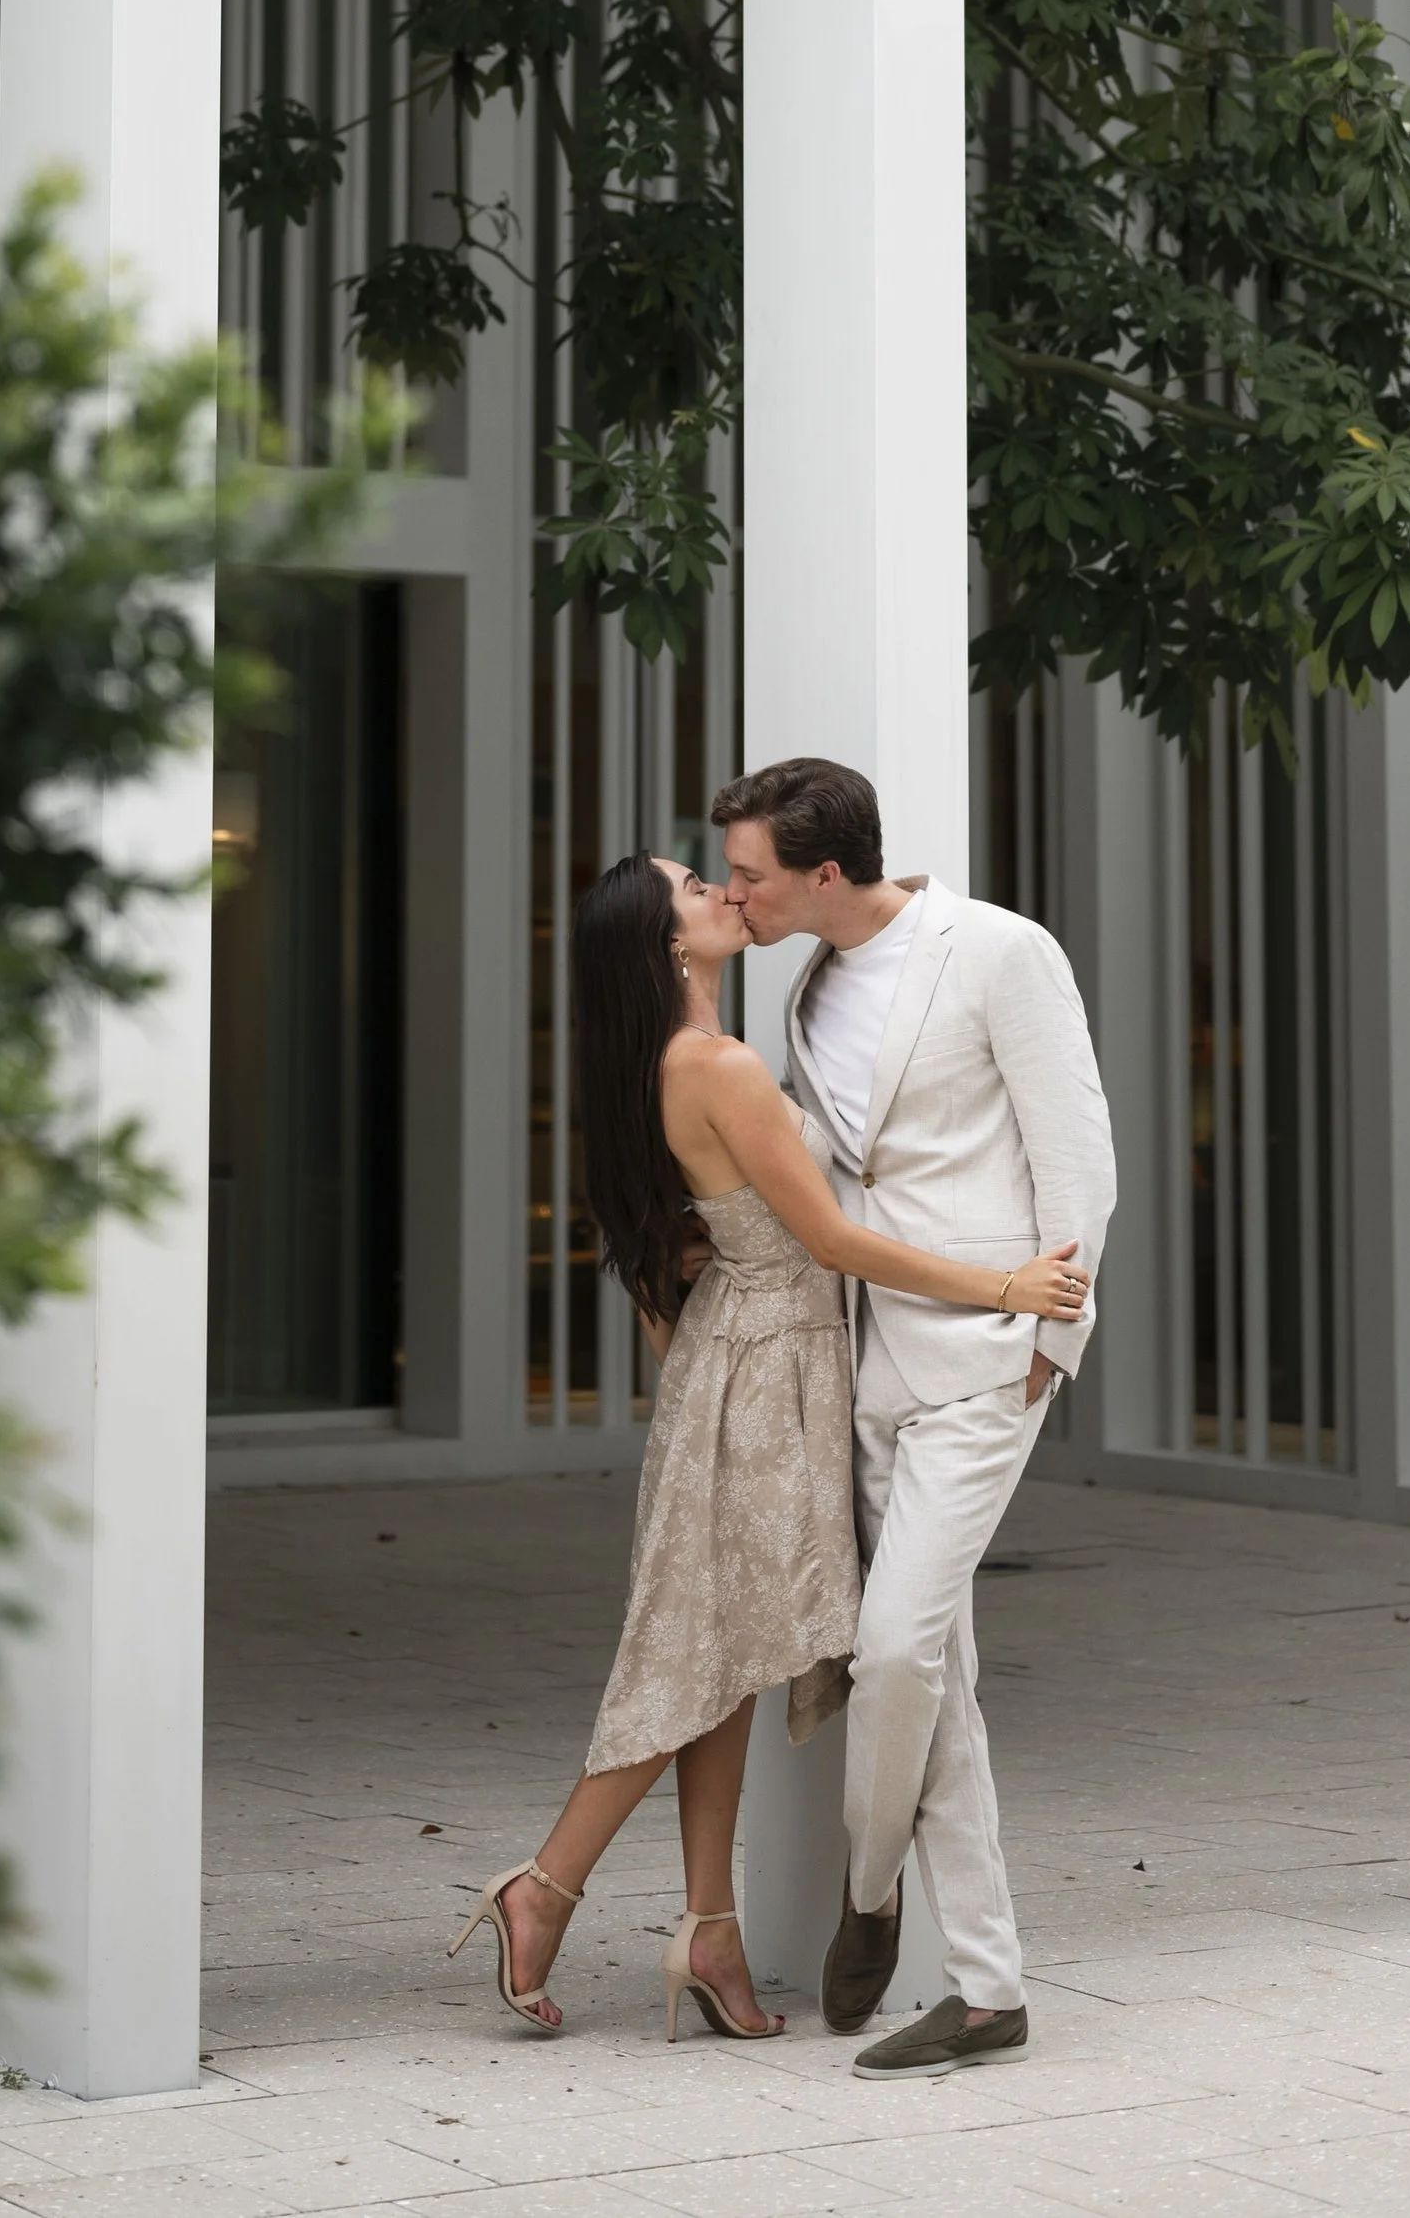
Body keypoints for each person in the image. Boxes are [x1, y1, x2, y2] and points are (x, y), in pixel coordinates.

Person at [448, 848, 1088, 2046]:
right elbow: (836, 1242)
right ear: (667, 945)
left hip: (739, 1362)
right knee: (689, 1659)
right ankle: (543, 1886)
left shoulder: (669, 1062)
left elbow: (671, 1267)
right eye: (697, 887)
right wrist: (1004, 1282)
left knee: (719, 1654)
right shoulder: (717, 1064)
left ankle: (709, 1927)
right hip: (767, 1366)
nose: (724, 894)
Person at [714, 755, 1116, 2085]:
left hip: (986, 1356)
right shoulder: (813, 979)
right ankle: (990, 1992)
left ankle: (873, 1885)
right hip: (867, 1365)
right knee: (941, 1688)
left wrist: (1047, 1339)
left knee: (893, 1654)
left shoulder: (999, 951)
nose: (737, 893)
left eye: (752, 874)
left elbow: (1077, 1151)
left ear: (824, 871)